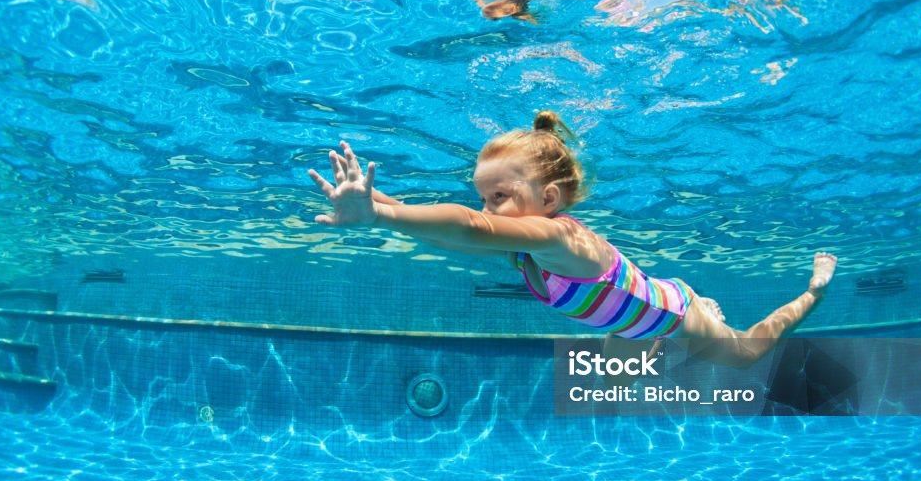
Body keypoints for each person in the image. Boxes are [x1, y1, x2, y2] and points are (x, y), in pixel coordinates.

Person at [308, 111, 837, 373]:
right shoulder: (523, 245)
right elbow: (457, 231)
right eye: (484, 196)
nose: (489, 208)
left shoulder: (560, 237)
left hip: (668, 314)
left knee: (744, 354)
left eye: (500, 195)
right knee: (612, 386)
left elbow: (469, 227)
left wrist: (376, 215)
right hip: (625, 324)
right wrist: (377, 206)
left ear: (551, 197)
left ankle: (811, 291)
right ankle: (680, 332)